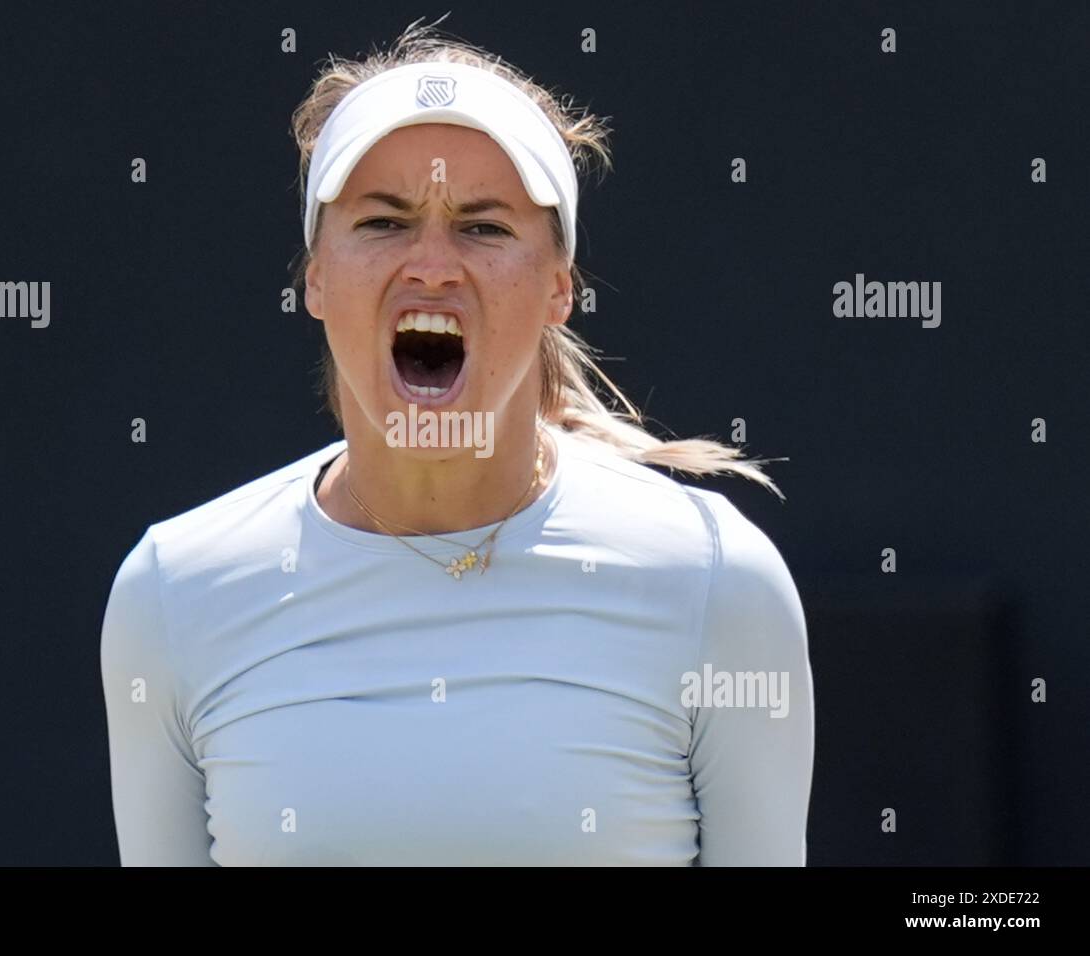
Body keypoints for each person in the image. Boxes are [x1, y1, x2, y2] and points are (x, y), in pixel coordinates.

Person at [100, 19, 814, 866]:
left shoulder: (718, 583)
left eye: (483, 226)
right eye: (382, 221)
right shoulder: (172, 595)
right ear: (315, 279)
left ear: (559, 288)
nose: (432, 265)